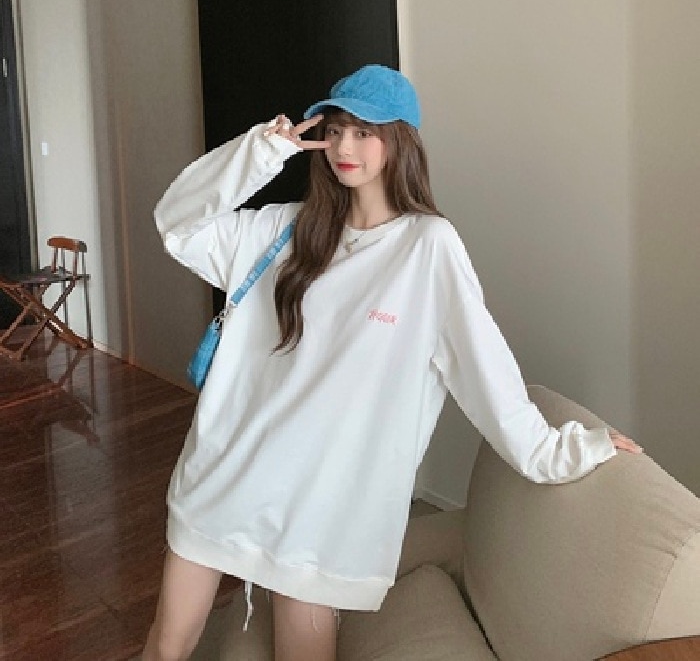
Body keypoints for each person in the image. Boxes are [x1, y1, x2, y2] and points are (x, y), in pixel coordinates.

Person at [143, 64, 641, 661]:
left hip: (319, 507)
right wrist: (262, 152)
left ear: (399, 141)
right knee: (165, 648)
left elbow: (486, 372)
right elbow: (177, 224)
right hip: (225, 476)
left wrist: (559, 451)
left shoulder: (428, 248)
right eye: (336, 129)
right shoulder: (284, 230)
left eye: (365, 132)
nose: (344, 147)